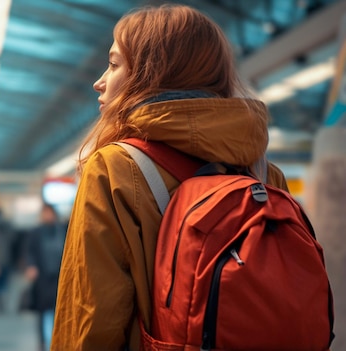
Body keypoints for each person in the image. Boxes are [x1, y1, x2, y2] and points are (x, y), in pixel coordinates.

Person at [51, 5, 290, 351]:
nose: (99, 81)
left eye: (115, 64)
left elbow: (90, 316)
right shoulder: (265, 174)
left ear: (152, 74)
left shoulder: (116, 167)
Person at [24, 203, 67, 351]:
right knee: (42, 311)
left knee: (59, 310)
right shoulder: (36, 232)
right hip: (43, 277)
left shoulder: (62, 230)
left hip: (59, 277)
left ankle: (59, 339)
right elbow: (30, 251)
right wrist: (31, 266)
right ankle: (42, 341)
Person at [0, 206, 14, 314]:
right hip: (5, 259)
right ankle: (2, 301)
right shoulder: (6, 227)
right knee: (3, 282)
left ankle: (0, 301)